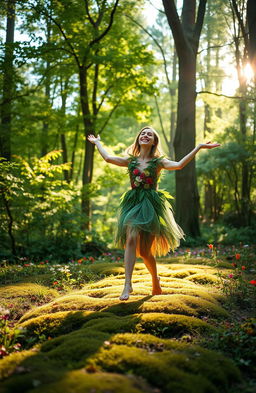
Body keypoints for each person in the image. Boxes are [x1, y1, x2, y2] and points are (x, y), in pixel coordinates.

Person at [88, 127, 220, 301]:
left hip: (151, 205)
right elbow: (108, 158)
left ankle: (155, 279)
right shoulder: (131, 160)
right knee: (131, 237)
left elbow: (179, 165)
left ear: (154, 142)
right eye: (143, 133)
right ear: (138, 139)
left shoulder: (158, 162)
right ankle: (127, 284)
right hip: (133, 203)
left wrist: (199, 147)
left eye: (149, 134)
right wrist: (98, 143)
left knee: (144, 251)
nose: (145, 135)